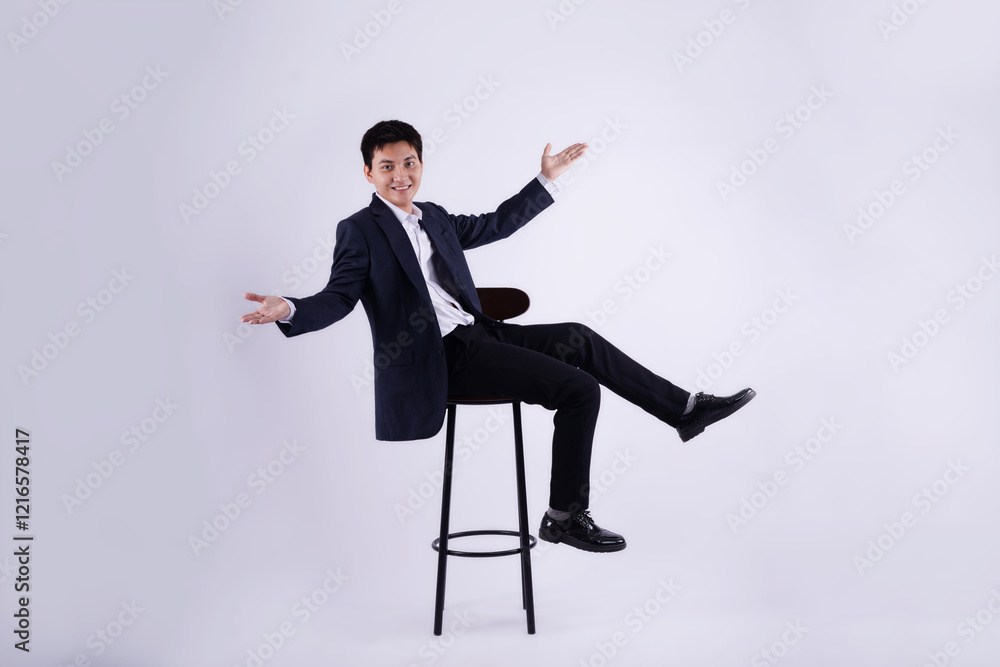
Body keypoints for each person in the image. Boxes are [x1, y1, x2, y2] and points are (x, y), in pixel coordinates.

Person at [240, 119, 755, 553]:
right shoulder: (359, 229)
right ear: (369, 173)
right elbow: (339, 296)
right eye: (388, 166)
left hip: (480, 337)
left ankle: (685, 410)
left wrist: (545, 179)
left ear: (421, 164)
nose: (401, 175)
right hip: (441, 359)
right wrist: (291, 307)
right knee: (580, 390)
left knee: (579, 336)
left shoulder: (434, 217)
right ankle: (564, 516)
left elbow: (495, 225)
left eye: (409, 163)